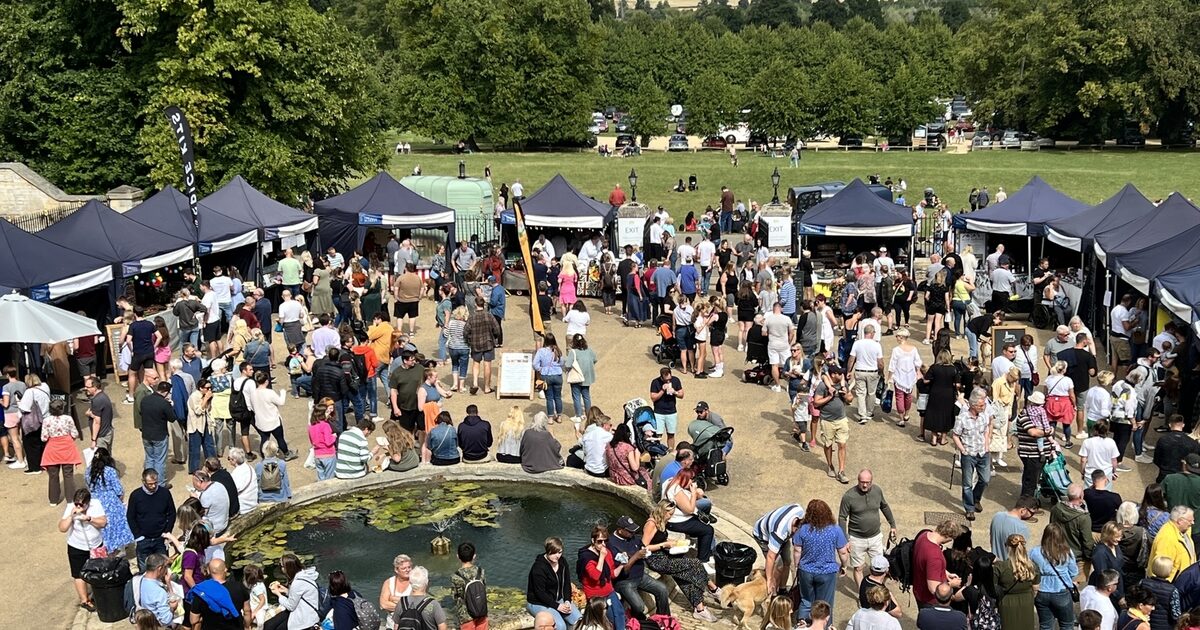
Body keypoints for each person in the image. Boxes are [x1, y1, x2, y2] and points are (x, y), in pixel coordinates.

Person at [792, 499, 850, 624]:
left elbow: (797, 550)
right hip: (827, 573)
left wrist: (797, 566)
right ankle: (825, 627)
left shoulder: (802, 529)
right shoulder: (835, 530)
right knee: (825, 605)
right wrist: (844, 565)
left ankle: (803, 625)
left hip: (806, 571)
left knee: (806, 601)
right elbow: (843, 552)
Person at [838, 469, 897, 587]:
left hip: (875, 537)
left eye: (867, 482)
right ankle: (862, 594)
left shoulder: (877, 491)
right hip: (856, 539)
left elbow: (884, 506)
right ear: (858, 480)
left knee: (881, 566)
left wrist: (892, 525)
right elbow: (842, 518)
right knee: (859, 568)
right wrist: (845, 540)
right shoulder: (849, 496)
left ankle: (878, 591)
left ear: (872, 481)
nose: (865, 485)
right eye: (862, 482)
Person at [953, 387, 998, 521]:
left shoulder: (984, 415)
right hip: (969, 453)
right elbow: (955, 435)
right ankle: (969, 508)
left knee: (985, 479)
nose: (983, 407)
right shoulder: (962, 418)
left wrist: (987, 444)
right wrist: (962, 450)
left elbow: (986, 430)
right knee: (967, 483)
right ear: (973, 405)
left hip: (983, 452)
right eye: (981, 405)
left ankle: (975, 498)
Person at [59, 487, 107, 610]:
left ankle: (100, 595)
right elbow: (62, 528)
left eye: (82, 504)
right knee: (78, 574)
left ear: (88, 503)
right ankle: (84, 600)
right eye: (77, 503)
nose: (79, 506)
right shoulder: (71, 507)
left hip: (96, 544)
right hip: (77, 545)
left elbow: (103, 523)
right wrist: (71, 516)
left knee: (99, 571)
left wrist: (89, 519)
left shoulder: (95, 504)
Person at [1030, 522, 1078, 630]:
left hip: (1041, 591)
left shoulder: (1034, 552)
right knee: (1066, 625)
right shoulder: (1066, 552)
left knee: (1045, 626)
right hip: (1061, 591)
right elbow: (1074, 572)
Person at [526, 537, 581, 630]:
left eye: (560, 552)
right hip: (538, 603)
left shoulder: (563, 563)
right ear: (548, 551)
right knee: (560, 626)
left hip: (558, 600)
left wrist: (567, 600)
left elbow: (566, 584)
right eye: (554, 553)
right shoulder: (538, 568)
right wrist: (557, 606)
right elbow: (540, 593)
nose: (557, 556)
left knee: (579, 621)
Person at [662, 467, 714, 564]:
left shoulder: (668, 482)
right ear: (685, 478)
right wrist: (694, 492)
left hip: (674, 519)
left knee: (703, 522)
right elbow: (690, 510)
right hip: (677, 522)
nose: (691, 482)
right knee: (708, 530)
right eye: (691, 479)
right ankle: (703, 560)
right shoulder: (677, 490)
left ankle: (704, 546)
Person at [814, 365, 853, 484]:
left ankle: (841, 471)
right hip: (827, 421)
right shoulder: (822, 386)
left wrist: (845, 394)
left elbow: (850, 399)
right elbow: (816, 403)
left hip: (841, 419)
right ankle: (830, 465)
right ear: (832, 374)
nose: (842, 375)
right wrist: (830, 397)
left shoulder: (843, 384)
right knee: (828, 444)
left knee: (842, 444)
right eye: (839, 373)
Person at [912, 520, 964, 609]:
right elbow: (933, 588)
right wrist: (951, 584)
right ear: (948, 537)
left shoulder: (924, 534)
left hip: (918, 590)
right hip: (929, 601)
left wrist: (946, 573)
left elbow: (927, 564)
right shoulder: (935, 556)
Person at [264, 554, 322, 630]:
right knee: (269, 625)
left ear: (288, 568)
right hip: (302, 609)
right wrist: (286, 591)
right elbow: (299, 595)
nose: (281, 569)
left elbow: (290, 606)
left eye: (282, 566)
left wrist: (278, 594)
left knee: (275, 628)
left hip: (305, 617)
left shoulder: (297, 583)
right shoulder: (304, 575)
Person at [994, 533, 1040, 628]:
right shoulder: (1032, 566)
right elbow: (1036, 588)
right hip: (1027, 603)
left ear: (1008, 548)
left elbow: (993, 588)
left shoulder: (1000, 567)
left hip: (1006, 604)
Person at [848, 324, 884, 424]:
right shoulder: (877, 345)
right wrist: (881, 372)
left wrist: (849, 371)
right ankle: (869, 412)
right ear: (872, 333)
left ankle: (862, 415)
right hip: (872, 372)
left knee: (860, 393)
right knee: (871, 393)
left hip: (860, 371)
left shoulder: (857, 343)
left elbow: (851, 359)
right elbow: (880, 362)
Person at [1148, 506, 1196, 581]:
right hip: (1172, 586)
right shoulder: (1167, 538)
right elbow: (1161, 568)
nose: (1193, 523)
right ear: (1180, 521)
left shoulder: (1184, 531)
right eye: (1190, 521)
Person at [1153, 414, 1198, 482]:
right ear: (1183, 425)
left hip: (1165, 476)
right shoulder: (1192, 443)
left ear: (1170, 425)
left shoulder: (1163, 440)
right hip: (1184, 478)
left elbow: (1156, 460)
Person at [564, 334, 598, 422]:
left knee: (576, 396)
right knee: (586, 396)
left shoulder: (573, 352)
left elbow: (567, 364)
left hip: (576, 378)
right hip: (587, 377)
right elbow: (594, 360)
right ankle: (588, 415)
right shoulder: (589, 350)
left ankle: (578, 415)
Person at [649, 367, 683, 449]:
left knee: (671, 434)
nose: (668, 381)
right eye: (666, 379)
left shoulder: (675, 380)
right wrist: (662, 390)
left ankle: (671, 452)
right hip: (658, 413)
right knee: (658, 435)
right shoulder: (655, 382)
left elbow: (681, 395)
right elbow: (653, 397)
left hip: (671, 412)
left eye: (669, 379)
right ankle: (657, 451)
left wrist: (674, 392)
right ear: (661, 377)